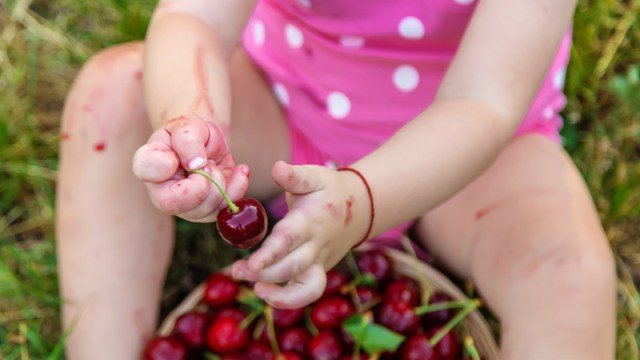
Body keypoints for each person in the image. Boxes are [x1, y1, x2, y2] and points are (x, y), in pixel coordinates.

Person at [55, 0, 617, 358]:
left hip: (471, 160)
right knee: (111, 94)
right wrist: (192, 116)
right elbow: (193, 17)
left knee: (568, 278)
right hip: (289, 103)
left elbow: (483, 103)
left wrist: (363, 201)